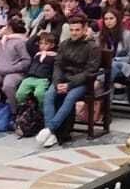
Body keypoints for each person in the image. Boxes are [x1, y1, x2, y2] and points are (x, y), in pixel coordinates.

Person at [36, 13, 100, 148]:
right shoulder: (64, 44)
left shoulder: (92, 47)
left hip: (81, 82)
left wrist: (69, 85)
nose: (74, 33)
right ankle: (52, 134)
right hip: (63, 79)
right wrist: (58, 82)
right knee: (49, 95)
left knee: (70, 97)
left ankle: (49, 129)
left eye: (77, 30)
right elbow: (58, 65)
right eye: (72, 30)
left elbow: (90, 71)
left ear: (84, 29)